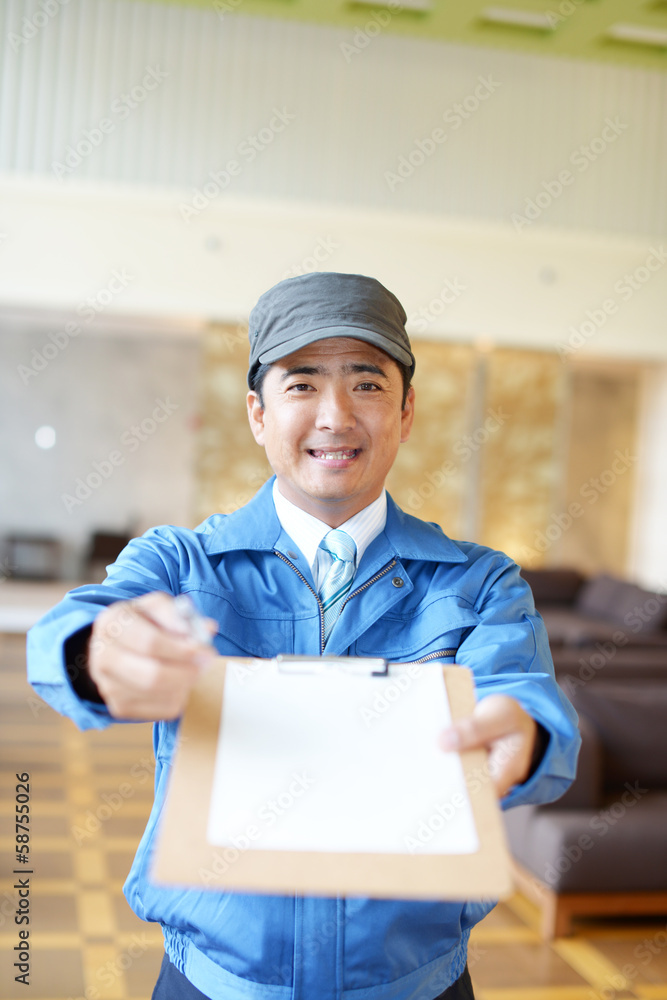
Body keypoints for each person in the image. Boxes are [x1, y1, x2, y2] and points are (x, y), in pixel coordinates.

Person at [27, 272, 580, 1000]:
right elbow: (64, 636)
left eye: (367, 384)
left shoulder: (478, 581)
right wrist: (95, 650)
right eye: (301, 384)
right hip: (210, 983)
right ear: (258, 413)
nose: (334, 415)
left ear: (407, 412)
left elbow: (528, 704)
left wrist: (526, 735)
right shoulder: (179, 562)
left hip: (416, 985)